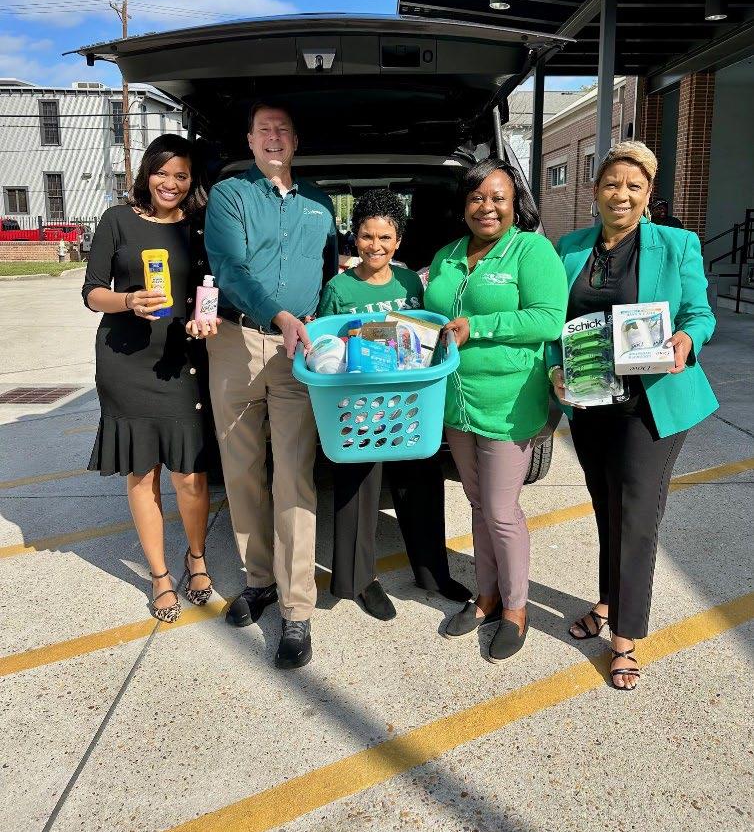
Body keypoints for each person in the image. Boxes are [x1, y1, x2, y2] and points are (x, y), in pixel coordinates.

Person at [548, 141, 718, 690]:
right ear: (595, 190)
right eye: (611, 184)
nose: (621, 195)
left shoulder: (677, 244)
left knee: (636, 516)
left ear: (648, 196)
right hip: (591, 401)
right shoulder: (570, 247)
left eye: (634, 186)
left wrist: (687, 340)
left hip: (651, 403)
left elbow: (699, 313)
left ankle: (624, 637)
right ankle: (607, 599)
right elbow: (553, 322)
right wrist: (555, 370)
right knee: (607, 509)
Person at [198, 101, 337, 670]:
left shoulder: (320, 205)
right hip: (236, 342)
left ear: (296, 141)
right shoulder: (231, 196)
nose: (274, 138)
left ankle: (297, 608)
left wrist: (323, 327)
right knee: (241, 471)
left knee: (294, 475)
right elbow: (229, 269)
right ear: (251, 141)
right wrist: (278, 314)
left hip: (296, 351)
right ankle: (258, 580)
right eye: (264, 130)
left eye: (283, 130)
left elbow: (329, 275)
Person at [424, 158, 567, 661]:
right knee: (477, 503)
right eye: (476, 197)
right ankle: (485, 597)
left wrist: (479, 327)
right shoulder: (447, 255)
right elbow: (430, 315)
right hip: (456, 403)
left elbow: (548, 319)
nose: (487, 207)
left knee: (502, 511)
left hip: (508, 404)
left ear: (515, 204)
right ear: (464, 204)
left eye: (498, 197)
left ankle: (516, 608)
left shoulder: (531, 249)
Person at [317, 189, 472, 620]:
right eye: (367, 236)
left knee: (421, 484)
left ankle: (432, 573)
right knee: (357, 488)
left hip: (408, 405)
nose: (376, 246)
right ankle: (360, 581)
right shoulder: (338, 288)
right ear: (355, 237)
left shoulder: (409, 283)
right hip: (359, 408)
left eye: (385, 237)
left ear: (399, 240)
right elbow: (326, 346)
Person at [83, 135, 214, 623]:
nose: (171, 183)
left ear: (191, 181)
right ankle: (159, 575)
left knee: (190, 476)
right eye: (162, 172)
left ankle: (196, 557)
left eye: (181, 175)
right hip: (126, 361)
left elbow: (210, 288)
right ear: (146, 173)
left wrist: (204, 320)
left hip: (181, 360)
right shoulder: (117, 220)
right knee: (143, 473)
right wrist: (127, 300)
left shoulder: (199, 228)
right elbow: (92, 291)